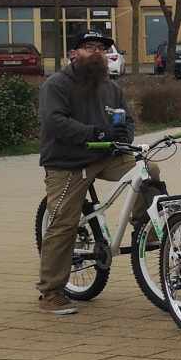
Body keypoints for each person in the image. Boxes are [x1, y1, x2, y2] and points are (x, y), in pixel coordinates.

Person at [35, 27, 133, 316]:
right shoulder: (56, 85)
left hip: (105, 157)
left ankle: (149, 230)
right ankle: (50, 291)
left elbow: (127, 120)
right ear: (73, 53)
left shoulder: (111, 87)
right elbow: (54, 122)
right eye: (89, 47)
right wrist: (97, 133)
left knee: (146, 170)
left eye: (101, 48)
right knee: (63, 222)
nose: (97, 52)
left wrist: (122, 138)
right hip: (68, 162)